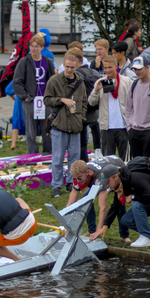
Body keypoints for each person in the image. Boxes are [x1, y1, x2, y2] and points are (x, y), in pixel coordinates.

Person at [90, 160, 150, 248]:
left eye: (108, 181)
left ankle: (146, 237)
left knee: (136, 205)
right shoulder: (120, 184)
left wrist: (133, 197)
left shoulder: (135, 178)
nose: (107, 185)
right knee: (126, 220)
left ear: (116, 177)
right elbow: (115, 206)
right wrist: (105, 226)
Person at [43, 52, 87, 197]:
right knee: (57, 158)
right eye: (67, 67)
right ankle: (56, 185)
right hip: (59, 125)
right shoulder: (54, 80)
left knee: (74, 158)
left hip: (75, 126)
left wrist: (81, 118)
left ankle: (71, 182)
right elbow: (47, 100)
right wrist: (61, 100)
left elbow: (84, 103)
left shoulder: (80, 82)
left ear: (76, 66)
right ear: (63, 65)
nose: (69, 70)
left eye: (72, 67)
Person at [67, 156, 130, 241]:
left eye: (79, 178)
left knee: (119, 202)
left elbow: (103, 207)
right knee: (86, 200)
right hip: (101, 170)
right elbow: (71, 203)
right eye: (75, 178)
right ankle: (91, 230)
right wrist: (65, 224)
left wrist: (99, 229)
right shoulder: (78, 176)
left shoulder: (99, 177)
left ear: (87, 172)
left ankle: (124, 235)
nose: (77, 181)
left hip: (116, 166)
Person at [12, 34, 55, 155]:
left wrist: (51, 97)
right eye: (32, 46)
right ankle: (33, 155)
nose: (34, 49)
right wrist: (24, 96)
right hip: (30, 100)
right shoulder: (24, 62)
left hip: (45, 101)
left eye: (36, 47)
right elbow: (17, 82)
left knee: (46, 129)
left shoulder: (47, 62)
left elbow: (52, 80)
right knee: (30, 131)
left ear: (42, 47)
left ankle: (48, 154)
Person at [88, 54, 132, 160]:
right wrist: (96, 90)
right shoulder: (100, 82)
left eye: (110, 67)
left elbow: (133, 102)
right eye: (105, 68)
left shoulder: (126, 81)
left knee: (125, 159)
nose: (107, 70)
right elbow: (91, 102)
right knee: (107, 160)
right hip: (107, 127)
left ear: (116, 66)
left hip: (123, 126)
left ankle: (125, 176)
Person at [70, 48, 102, 160]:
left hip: (81, 112)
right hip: (94, 110)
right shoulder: (94, 72)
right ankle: (98, 150)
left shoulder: (77, 74)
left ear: (77, 59)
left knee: (82, 143)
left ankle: (83, 166)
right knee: (93, 129)